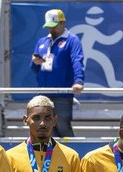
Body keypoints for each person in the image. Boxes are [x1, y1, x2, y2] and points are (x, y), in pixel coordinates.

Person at [31, 8, 85, 138]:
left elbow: (77, 60)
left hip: (62, 93)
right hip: (44, 92)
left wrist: (78, 81)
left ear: (63, 23)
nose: (51, 29)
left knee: (62, 125)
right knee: (47, 128)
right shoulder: (42, 42)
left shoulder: (72, 40)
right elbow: (34, 68)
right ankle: (51, 156)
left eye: (54, 26)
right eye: (49, 26)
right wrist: (35, 62)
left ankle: (73, 155)